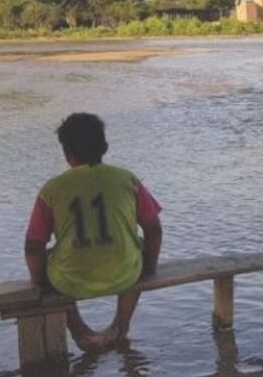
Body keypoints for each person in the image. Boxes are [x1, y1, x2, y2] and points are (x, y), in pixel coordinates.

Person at [24, 112, 163, 352]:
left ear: (67, 155)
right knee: (136, 244)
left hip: (70, 281)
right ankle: (121, 325)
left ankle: (79, 330)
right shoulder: (127, 180)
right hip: (125, 274)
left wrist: (41, 283)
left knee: (48, 256)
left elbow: (33, 246)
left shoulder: (52, 189)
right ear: (105, 147)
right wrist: (149, 269)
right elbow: (154, 229)